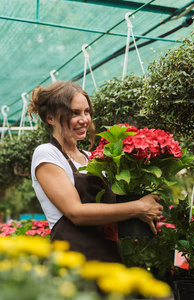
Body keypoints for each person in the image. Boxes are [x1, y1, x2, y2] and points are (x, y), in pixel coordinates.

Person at [28, 81, 163, 264]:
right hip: (72, 260)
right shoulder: (47, 154)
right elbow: (76, 212)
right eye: (74, 113)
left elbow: (111, 207)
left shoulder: (92, 157)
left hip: (107, 255)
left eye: (86, 112)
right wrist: (138, 207)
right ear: (50, 118)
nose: (84, 119)